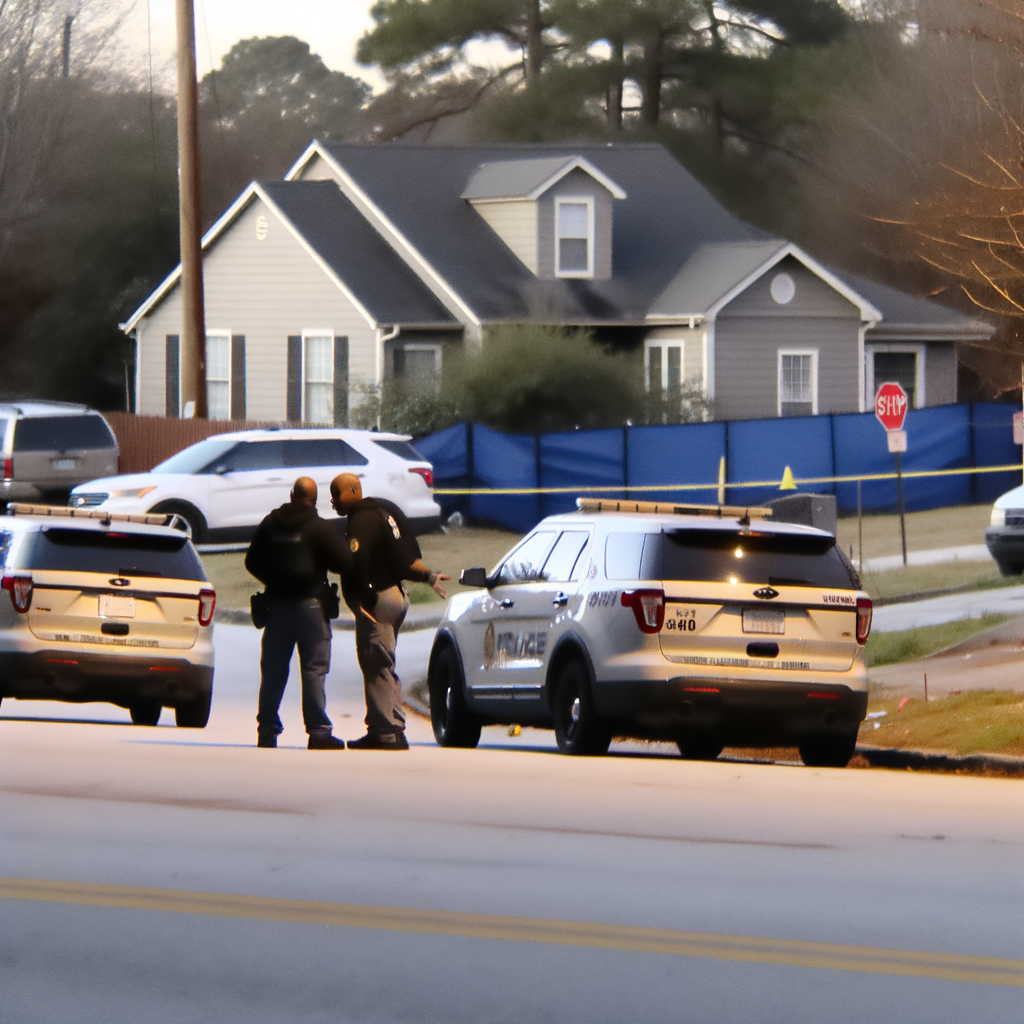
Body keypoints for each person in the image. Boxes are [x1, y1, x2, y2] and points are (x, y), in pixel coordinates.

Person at [329, 472, 450, 750]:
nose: (333, 502)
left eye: (336, 494)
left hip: (379, 599)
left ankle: (386, 732)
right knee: (384, 663)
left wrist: (363, 600)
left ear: (352, 491)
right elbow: (407, 561)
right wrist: (429, 577)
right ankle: (390, 727)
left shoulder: (361, 519)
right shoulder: (385, 513)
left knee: (376, 665)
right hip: (396, 595)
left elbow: (354, 562)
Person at [245, 476, 350, 750]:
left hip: (277, 607)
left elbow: (251, 561)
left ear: (292, 495)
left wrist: (274, 580)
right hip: (312, 608)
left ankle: (267, 729)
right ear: (314, 500)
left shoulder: (270, 523)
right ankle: (318, 733)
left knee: (273, 672)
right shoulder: (321, 527)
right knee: (314, 670)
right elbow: (344, 562)